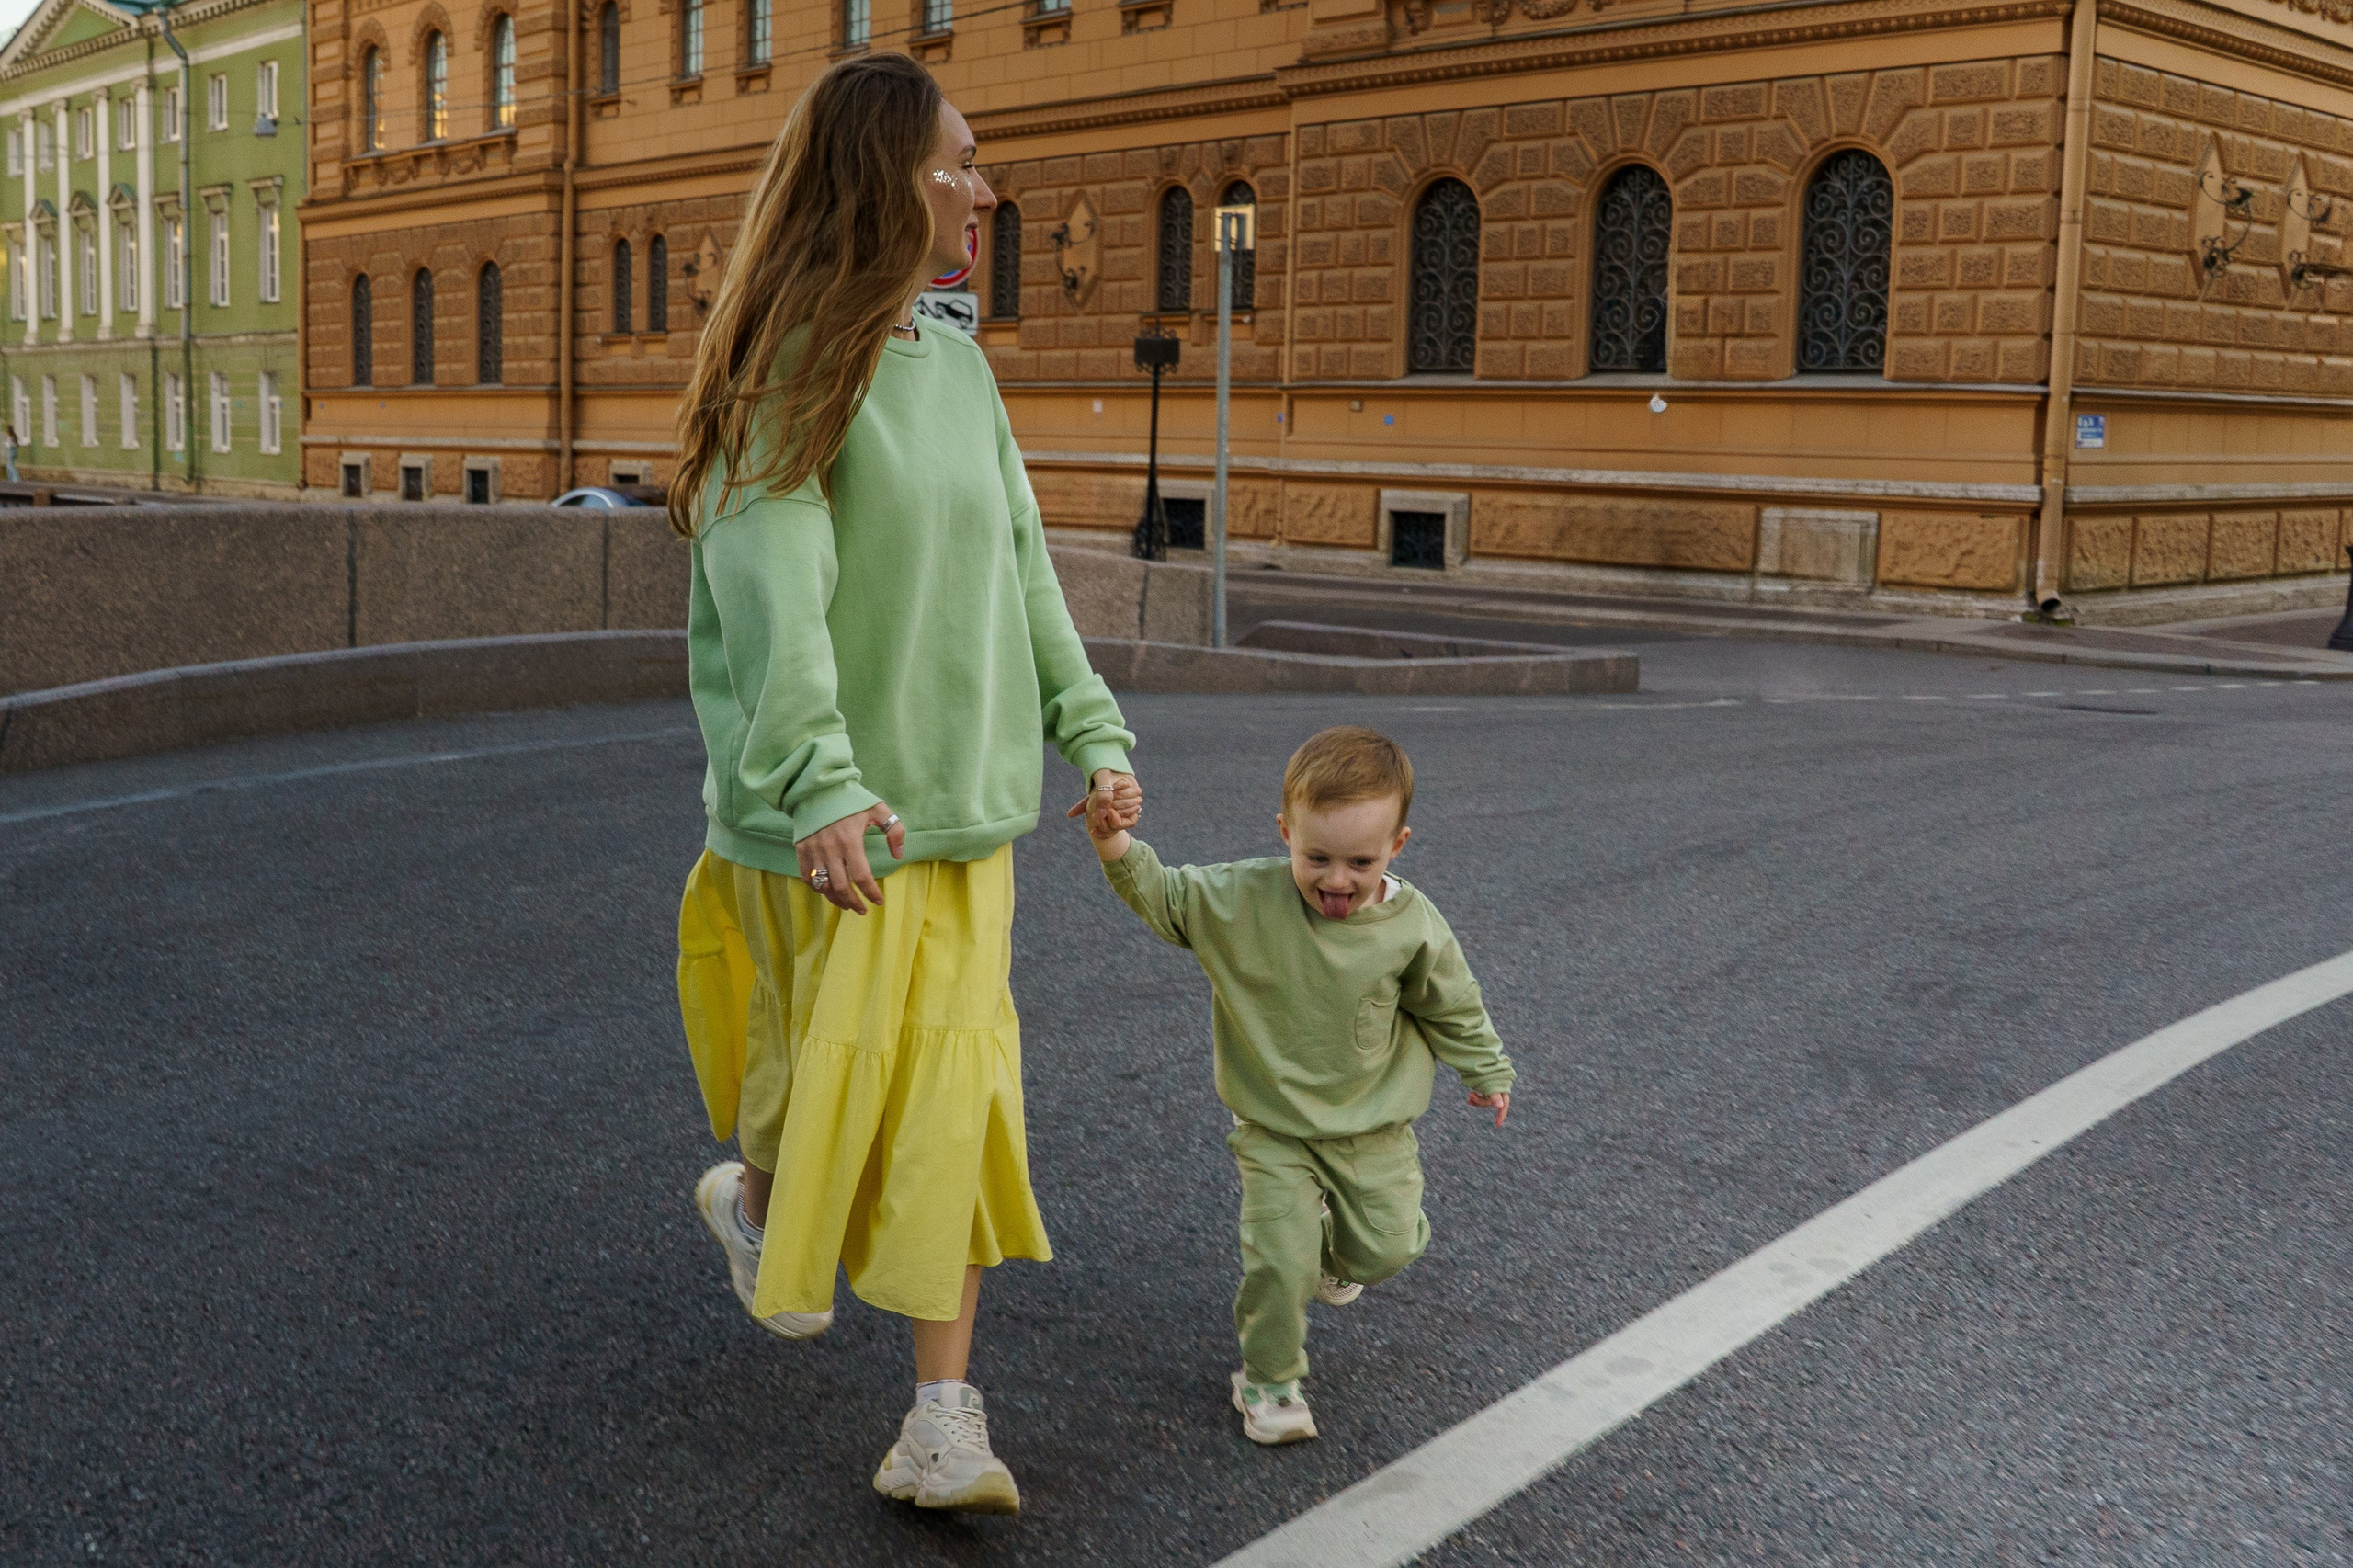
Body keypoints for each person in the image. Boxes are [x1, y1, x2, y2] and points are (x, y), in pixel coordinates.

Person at [668, 53, 1142, 1516]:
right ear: (888, 180)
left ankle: (942, 1419)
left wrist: (1093, 730)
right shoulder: (787, 363)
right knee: (805, 1086)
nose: (982, 189)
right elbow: (771, 590)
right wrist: (818, 780)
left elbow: (1023, 566)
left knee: (953, 1101)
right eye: (960, 162)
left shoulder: (960, 367)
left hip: (963, 817)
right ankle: (757, 1198)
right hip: (828, 826)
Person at [1080, 725, 1514, 1445]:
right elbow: (1165, 896)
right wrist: (1112, 842)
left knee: (1387, 1249)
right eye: (1317, 858)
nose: (1336, 881)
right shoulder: (1243, 898)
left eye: (1361, 862)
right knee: (1278, 1261)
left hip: (1372, 1129)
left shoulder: (1411, 925)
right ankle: (1270, 1381)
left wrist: (1487, 1069)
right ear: (1286, 833)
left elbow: (1452, 1003)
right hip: (1274, 1126)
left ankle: (1332, 1255)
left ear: (1398, 845)